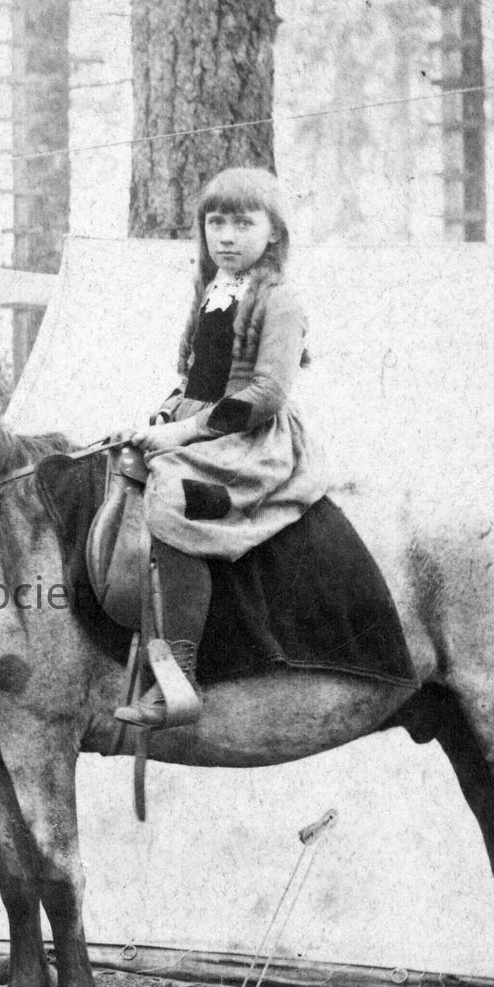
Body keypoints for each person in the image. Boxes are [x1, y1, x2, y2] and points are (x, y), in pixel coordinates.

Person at [115, 166, 328, 731]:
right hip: (201, 423)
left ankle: (179, 676)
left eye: (243, 223)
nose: (226, 236)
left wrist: (183, 434)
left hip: (251, 438)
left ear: (274, 232)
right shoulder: (210, 290)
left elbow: (266, 394)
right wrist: (164, 416)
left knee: (174, 497)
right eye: (216, 223)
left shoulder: (280, 300)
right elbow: (193, 377)